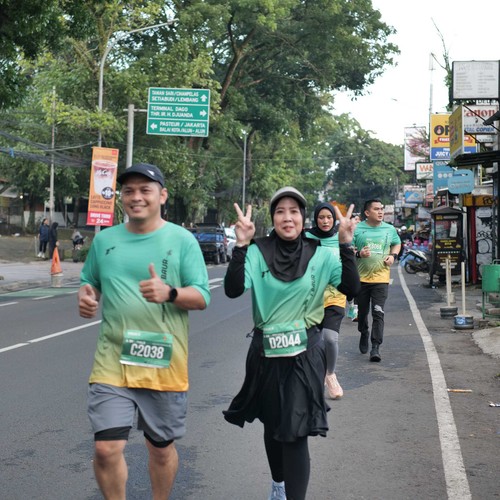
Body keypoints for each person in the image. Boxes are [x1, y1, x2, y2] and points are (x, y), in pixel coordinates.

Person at [78, 162, 211, 499]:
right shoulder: (105, 240)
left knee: (161, 450)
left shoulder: (182, 240)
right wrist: (87, 296)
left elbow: (202, 297)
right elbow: (89, 281)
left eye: (144, 190)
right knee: (106, 449)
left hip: (163, 363)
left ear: (162, 196)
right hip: (112, 361)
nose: (136, 197)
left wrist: (171, 293)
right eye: (128, 191)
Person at [223, 187, 360, 500]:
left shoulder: (320, 254)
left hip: (305, 353)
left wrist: (346, 244)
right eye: (280, 211)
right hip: (265, 352)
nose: (288, 217)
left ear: (302, 218)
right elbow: (232, 289)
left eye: (294, 211)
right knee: (274, 426)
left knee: (295, 431)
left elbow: (351, 287)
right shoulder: (257, 251)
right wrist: (241, 245)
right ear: (273, 218)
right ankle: (278, 485)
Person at [306, 202, 347, 400]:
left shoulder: (340, 238)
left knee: (330, 338)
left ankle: (330, 374)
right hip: (310, 301)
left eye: (329, 217)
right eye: (321, 217)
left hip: (335, 297)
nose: (325, 221)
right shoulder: (306, 238)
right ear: (315, 219)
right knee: (310, 344)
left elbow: (349, 264)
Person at [353, 199, 401, 362]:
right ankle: (363, 331)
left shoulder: (389, 229)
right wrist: (359, 254)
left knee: (378, 312)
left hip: (381, 279)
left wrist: (393, 256)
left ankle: (375, 347)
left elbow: (397, 243)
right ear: (367, 213)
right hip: (361, 279)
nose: (380, 212)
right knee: (362, 313)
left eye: (381, 209)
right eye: (376, 209)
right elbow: (347, 249)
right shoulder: (357, 229)